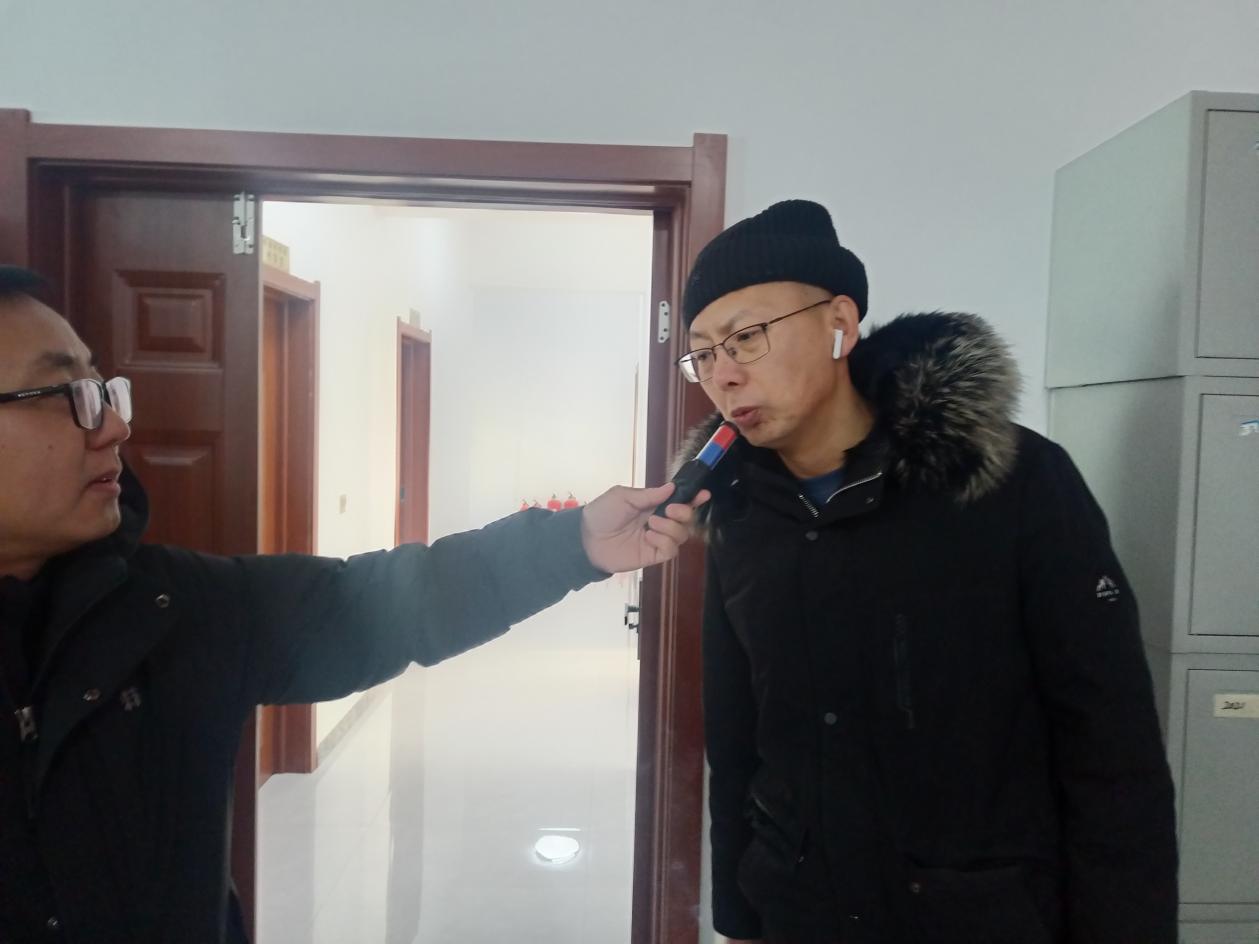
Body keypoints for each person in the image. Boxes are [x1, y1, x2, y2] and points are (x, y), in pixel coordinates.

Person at [0, 265, 706, 943]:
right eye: (66, 395)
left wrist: (573, 542)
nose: (113, 427)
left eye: (103, 391)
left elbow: (375, 603)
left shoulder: (168, 605)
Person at [680, 201, 1177, 944]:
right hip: (803, 912)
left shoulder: (1008, 481)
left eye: (746, 337)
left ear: (838, 322)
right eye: (702, 355)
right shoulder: (738, 507)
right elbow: (735, 735)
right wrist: (740, 920)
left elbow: (1109, 742)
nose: (723, 375)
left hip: (981, 916)